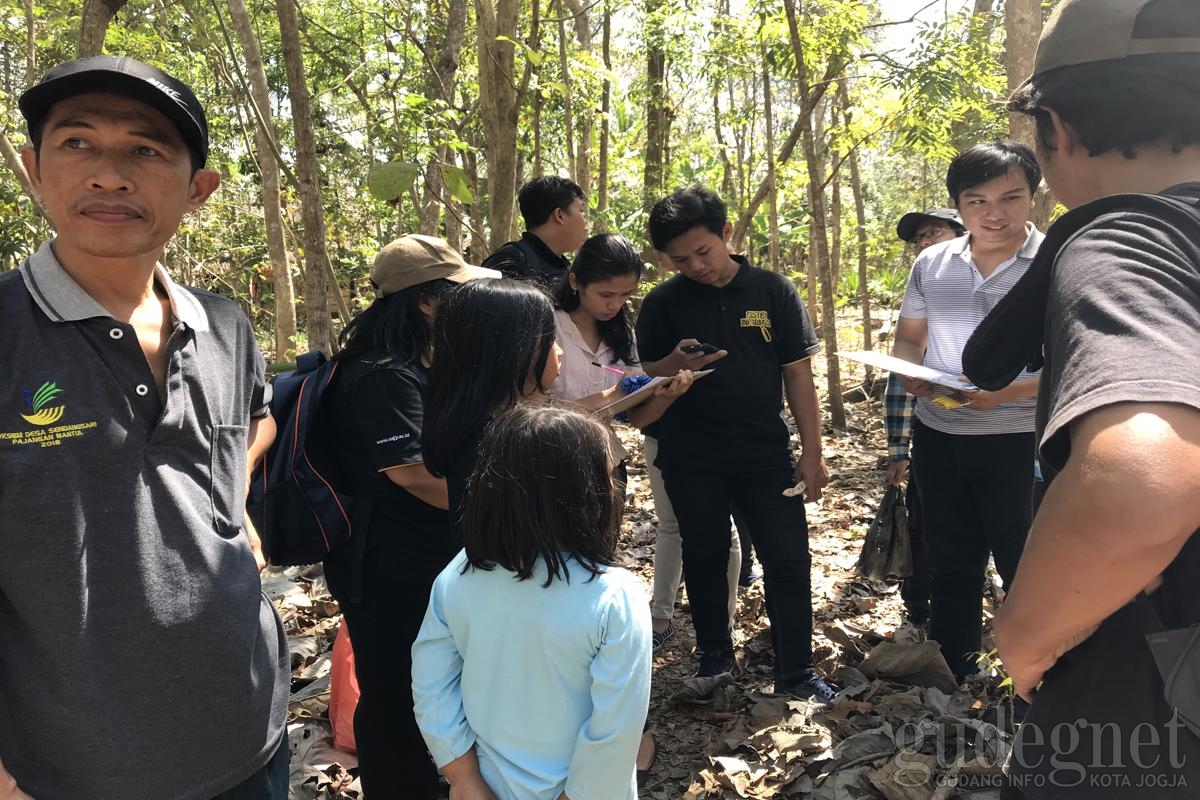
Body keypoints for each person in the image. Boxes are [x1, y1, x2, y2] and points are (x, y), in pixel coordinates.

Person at [0, 56, 288, 799]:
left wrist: (228, 507)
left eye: (145, 149)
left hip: (249, 731)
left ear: (198, 190)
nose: (109, 174)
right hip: (73, 767)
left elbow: (250, 423)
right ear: (33, 168)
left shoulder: (225, 325)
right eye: (78, 144)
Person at [961, 0, 1200, 795]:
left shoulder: (1128, 239)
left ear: (1056, 128)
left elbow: (1142, 479)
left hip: (1145, 721)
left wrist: (1024, 637)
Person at [635, 186, 834, 703]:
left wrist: (812, 452)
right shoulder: (661, 304)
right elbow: (638, 383)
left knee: (787, 558)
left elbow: (797, 374)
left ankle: (796, 671)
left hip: (765, 451)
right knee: (704, 555)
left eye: (703, 252)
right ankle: (714, 657)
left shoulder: (772, 291)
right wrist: (669, 369)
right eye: (680, 260)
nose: (696, 266)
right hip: (688, 453)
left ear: (726, 234)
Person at [323, 235, 497, 798]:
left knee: (432, 684)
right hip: (385, 565)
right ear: (428, 302)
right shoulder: (382, 374)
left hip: (423, 556)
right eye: (459, 294)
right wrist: (503, 509)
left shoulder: (418, 365)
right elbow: (414, 474)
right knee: (397, 694)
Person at [412, 404, 652, 800]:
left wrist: (463, 778)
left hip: (487, 787)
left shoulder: (459, 575)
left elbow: (431, 685)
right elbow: (616, 728)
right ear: (583, 493)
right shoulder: (615, 596)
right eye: (608, 474)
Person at [891, 141, 1044, 682]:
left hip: (1019, 440)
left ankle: (1035, 675)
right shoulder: (933, 264)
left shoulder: (1054, 265)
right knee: (951, 557)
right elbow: (910, 339)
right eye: (976, 201)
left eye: (1011, 197)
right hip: (942, 433)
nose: (994, 214)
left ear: (1034, 195)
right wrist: (913, 373)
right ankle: (953, 666)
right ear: (958, 205)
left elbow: (1076, 361)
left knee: (1024, 562)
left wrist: (1004, 394)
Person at [422, 277, 562, 535]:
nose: (560, 351)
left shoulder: (460, 423)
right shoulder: (521, 440)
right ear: (515, 351)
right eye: (551, 339)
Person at [885, 208, 965, 634]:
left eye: (933, 232)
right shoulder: (922, 295)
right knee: (923, 525)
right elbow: (899, 384)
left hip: (999, 436)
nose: (924, 242)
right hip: (930, 436)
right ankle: (920, 607)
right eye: (919, 238)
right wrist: (898, 449)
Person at [481, 176, 588, 289]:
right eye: (581, 211)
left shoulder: (563, 266)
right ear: (559, 215)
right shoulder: (511, 262)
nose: (585, 220)